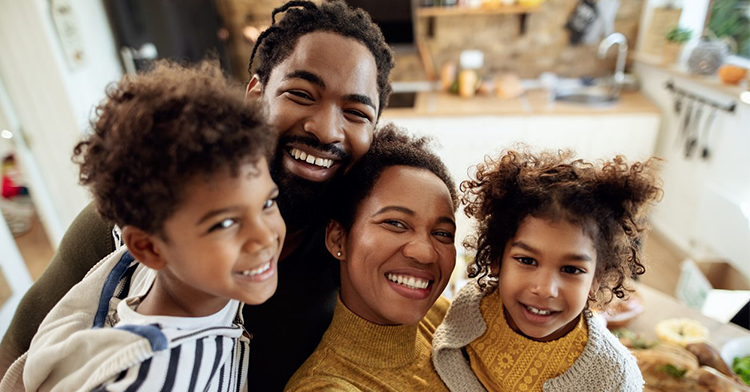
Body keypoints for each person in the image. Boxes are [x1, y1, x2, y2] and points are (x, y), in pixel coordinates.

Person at [0, 1, 394, 391]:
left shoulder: (357, 248)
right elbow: (19, 357)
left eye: (357, 113)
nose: (326, 131)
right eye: (301, 94)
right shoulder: (132, 222)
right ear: (256, 95)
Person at [0, 60, 285, 391]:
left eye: (266, 203)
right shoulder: (150, 380)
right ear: (148, 248)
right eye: (224, 223)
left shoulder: (188, 274)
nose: (264, 237)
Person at [432, 149, 662, 392]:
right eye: (527, 261)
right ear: (497, 259)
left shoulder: (613, 376)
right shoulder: (472, 306)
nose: (544, 289)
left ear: (597, 278)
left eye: (571, 269)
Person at [283, 125, 458, 391]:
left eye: (442, 233)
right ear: (338, 239)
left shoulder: (443, 319)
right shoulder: (327, 387)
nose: (424, 253)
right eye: (396, 223)